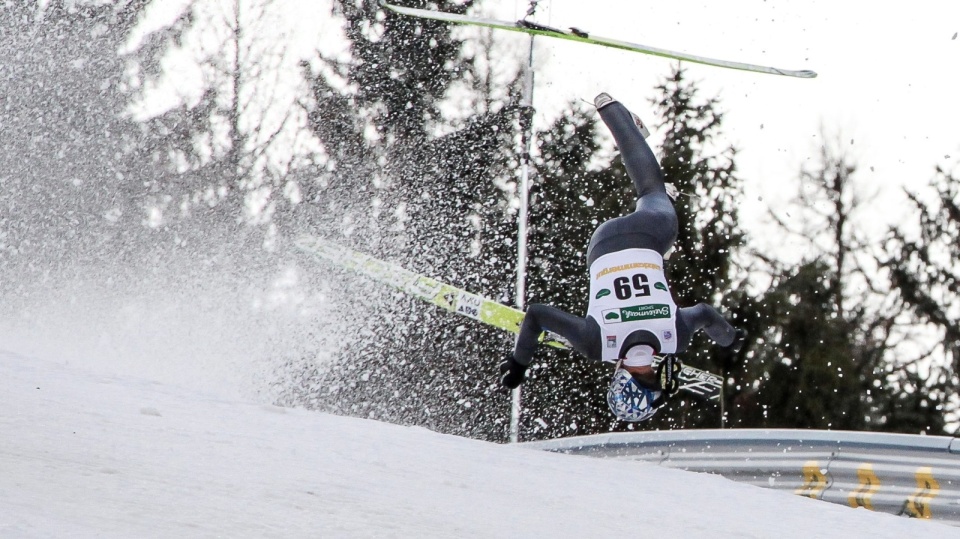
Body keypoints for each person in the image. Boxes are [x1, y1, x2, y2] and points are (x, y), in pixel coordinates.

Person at [500, 92, 745, 422]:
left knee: (652, 191)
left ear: (656, 381)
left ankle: (614, 113)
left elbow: (704, 313)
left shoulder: (676, 335)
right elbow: (536, 315)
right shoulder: (595, 344)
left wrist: (731, 340)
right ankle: (612, 114)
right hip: (601, 244)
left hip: (648, 235)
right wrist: (518, 366)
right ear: (619, 377)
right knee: (653, 237)